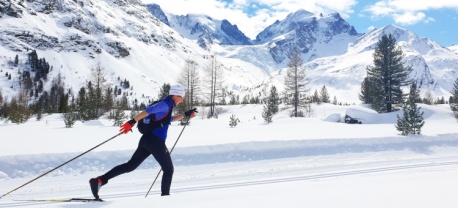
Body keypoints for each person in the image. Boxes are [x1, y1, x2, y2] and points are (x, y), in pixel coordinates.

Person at [89, 84, 197, 200]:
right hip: (155, 142)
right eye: (182, 96)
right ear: (176, 95)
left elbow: (168, 119)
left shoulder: (167, 105)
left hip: (147, 140)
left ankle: (99, 180)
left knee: (130, 166)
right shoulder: (165, 104)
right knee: (168, 169)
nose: (183, 99)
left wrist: (185, 115)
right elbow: (149, 110)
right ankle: (165, 199)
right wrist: (132, 121)